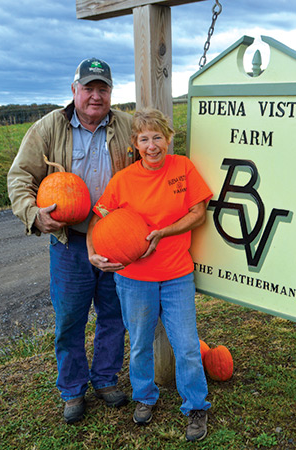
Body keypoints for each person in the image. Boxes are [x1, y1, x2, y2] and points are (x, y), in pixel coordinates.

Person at [7, 58, 136, 424]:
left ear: (111, 92)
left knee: (114, 315)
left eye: (103, 89)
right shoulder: (49, 127)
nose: (96, 96)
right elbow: (20, 177)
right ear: (74, 90)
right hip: (70, 243)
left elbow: (153, 168)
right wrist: (34, 214)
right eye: (89, 88)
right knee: (70, 319)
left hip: (116, 239)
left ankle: (106, 379)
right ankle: (73, 389)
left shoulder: (127, 126)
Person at [86, 109, 212, 441]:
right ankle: (144, 397)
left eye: (158, 137)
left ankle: (196, 406)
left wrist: (164, 232)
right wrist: (91, 251)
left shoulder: (182, 168)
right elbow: (98, 218)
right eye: (144, 139)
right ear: (135, 143)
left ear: (168, 139)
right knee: (140, 343)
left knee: (185, 344)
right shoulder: (123, 180)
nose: (152, 145)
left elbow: (199, 213)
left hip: (176, 274)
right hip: (134, 278)